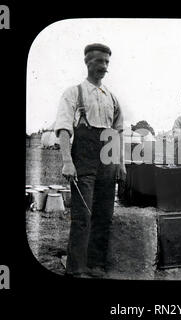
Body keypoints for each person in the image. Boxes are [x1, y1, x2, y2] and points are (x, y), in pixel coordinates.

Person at [54, 43, 126, 278]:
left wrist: (121, 163)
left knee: (104, 213)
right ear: (88, 62)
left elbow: (118, 132)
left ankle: (96, 265)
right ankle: (76, 268)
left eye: (107, 62)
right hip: (83, 158)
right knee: (83, 215)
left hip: (108, 159)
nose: (103, 67)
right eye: (99, 61)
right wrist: (67, 161)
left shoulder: (112, 97)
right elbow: (64, 128)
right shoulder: (74, 92)